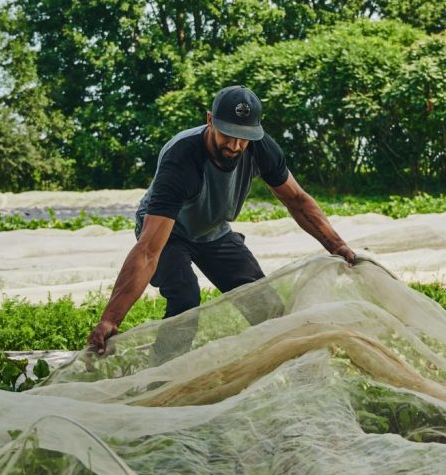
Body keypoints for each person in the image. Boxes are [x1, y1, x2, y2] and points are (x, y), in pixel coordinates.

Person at [87, 85, 357, 355]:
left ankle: (287, 368)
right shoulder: (181, 159)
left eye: (244, 137)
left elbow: (297, 200)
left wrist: (336, 246)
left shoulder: (261, 149)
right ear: (210, 121)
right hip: (169, 233)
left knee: (261, 301)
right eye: (228, 134)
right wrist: (111, 318)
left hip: (213, 230)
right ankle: (162, 379)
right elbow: (147, 251)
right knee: (185, 299)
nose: (235, 145)